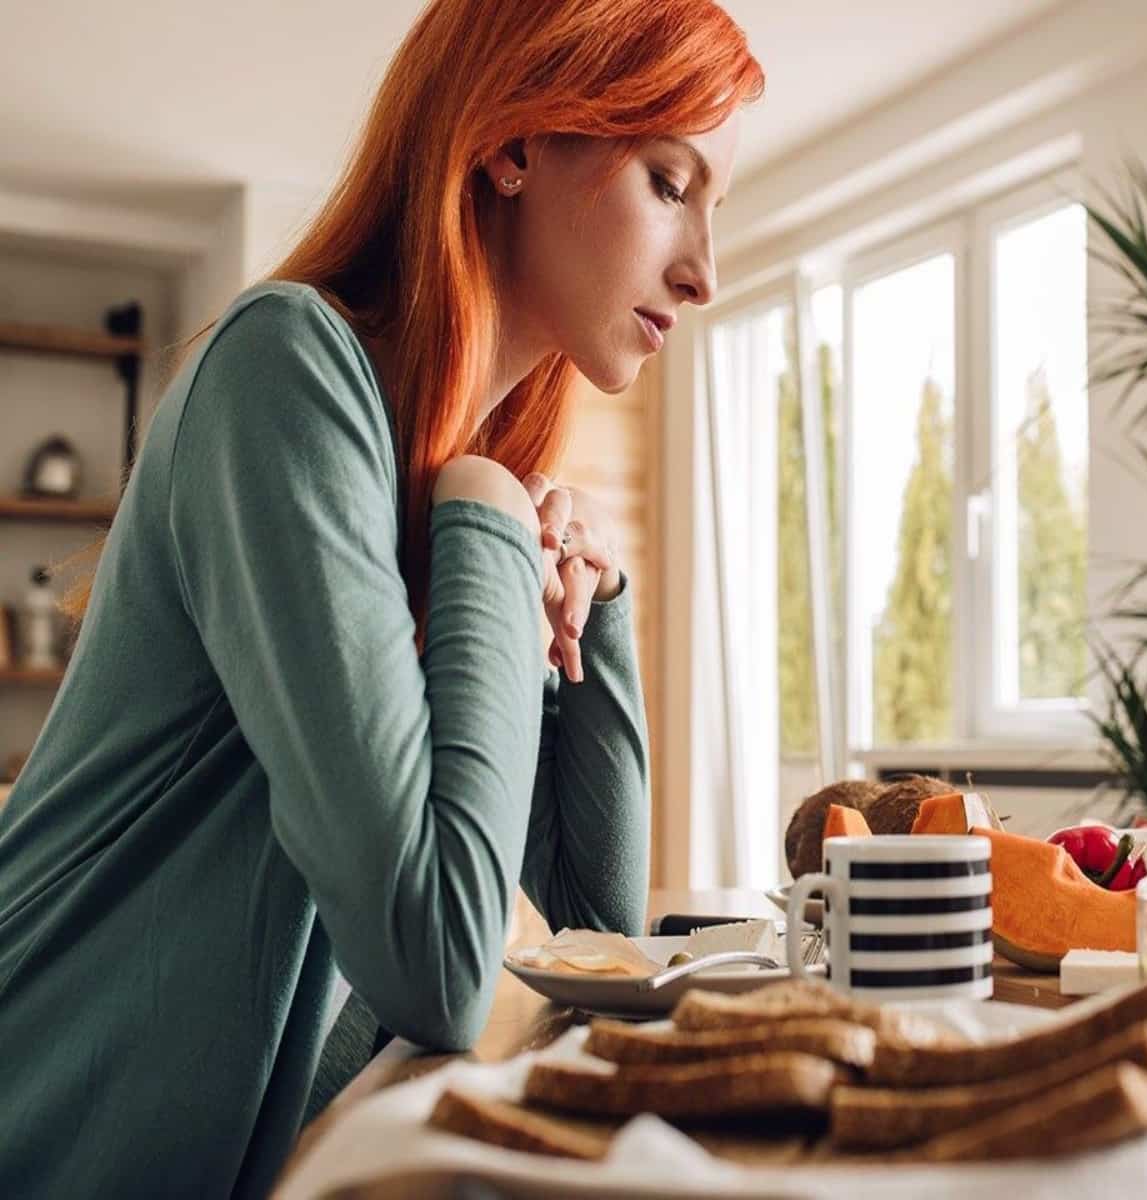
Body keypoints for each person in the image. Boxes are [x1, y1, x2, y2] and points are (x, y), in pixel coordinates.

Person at [0, 1, 761, 1193]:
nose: (705, 269)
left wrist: (595, 603)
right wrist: (493, 518)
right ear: (516, 144)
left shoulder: (444, 485)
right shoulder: (286, 371)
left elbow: (583, 942)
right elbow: (439, 970)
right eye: (671, 183)